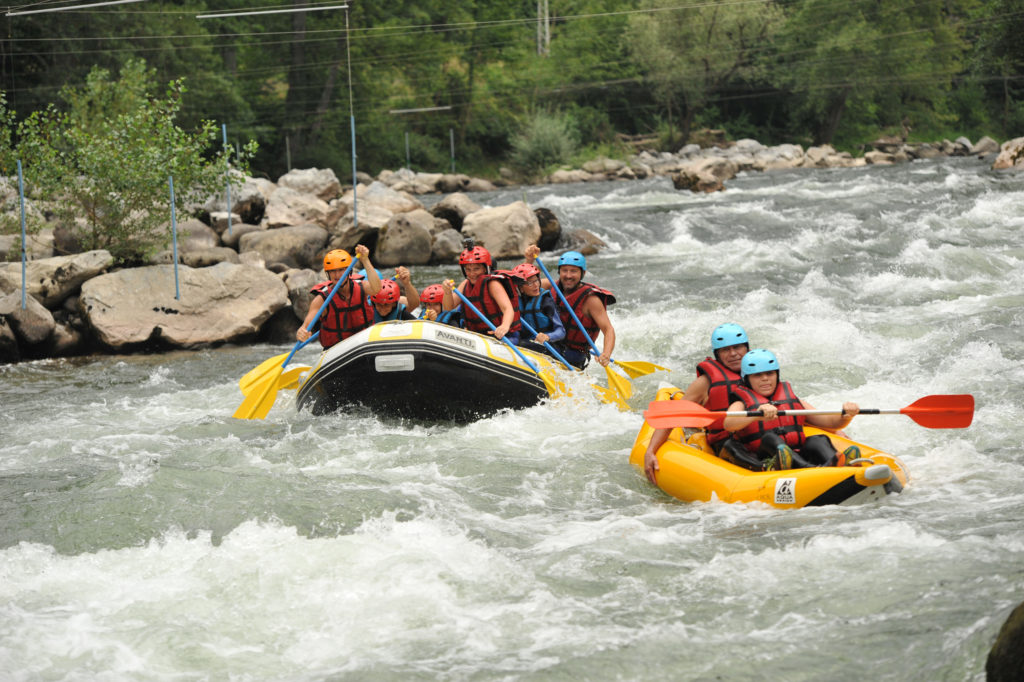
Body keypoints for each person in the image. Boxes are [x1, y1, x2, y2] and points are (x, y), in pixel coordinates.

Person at [721, 348, 861, 471]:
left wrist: (846, 415)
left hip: (795, 452)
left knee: (818, 439)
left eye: (770, 373)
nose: (765, 379)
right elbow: (729, 424)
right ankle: (811, 469)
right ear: (747, 379)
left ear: (777, 375)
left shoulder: (793, 400)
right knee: (770, 438)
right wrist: (756, 415)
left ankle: (838, 463)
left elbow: (830, 422)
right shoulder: (741, 403)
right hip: (764, 457)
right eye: (757, 375)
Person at [643, 323, 749, 484]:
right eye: (726, 350)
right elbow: (675, 416)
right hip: (727, 445)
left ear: (747, 348)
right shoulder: (705, 382)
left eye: (737, 347)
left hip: (758, 436)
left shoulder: (761, 374)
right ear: (718, 355)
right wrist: (650, 451)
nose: (733, 354)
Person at [523, 244, 615, 369]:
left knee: (524, 345)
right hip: (552, 342)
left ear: (583, 273)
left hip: (573, 354)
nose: (568, 275)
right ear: (559, 272)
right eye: (564, 270)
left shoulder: (591, 299)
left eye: (573, 271)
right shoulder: (552, 286)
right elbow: (522, 284)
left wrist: (606, 353)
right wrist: (529, 260)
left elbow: (608, 329)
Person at [297, 245, 382, 349]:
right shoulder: (322, 299)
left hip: (364, 344)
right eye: (332, 271)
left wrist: (365, 260)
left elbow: (377, 289)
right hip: (336, 350)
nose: (337, 275)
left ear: (349, 270)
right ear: (327, 273)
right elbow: (306, 325)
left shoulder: (361, 287)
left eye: (341, 270)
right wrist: (302, 331)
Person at [442, 244, 521, 343]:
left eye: (476, 269)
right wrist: (447, 292)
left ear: (485, 268)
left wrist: (504, 326)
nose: (472, 274)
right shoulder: (465, 284)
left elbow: (508, 309)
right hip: (477, 336)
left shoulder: (492, 284)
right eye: (468, 269)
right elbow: (448, 307)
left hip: (503, 335)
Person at [512, 262, 565, 354]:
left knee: (521, 344)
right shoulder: (515, 302)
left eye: (536, 280)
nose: (536, 285)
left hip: (548, 346)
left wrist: (547, 336)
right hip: (526, 342)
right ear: (520, 288)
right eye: (530, 283)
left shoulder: (545, 301)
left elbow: (561, 331)